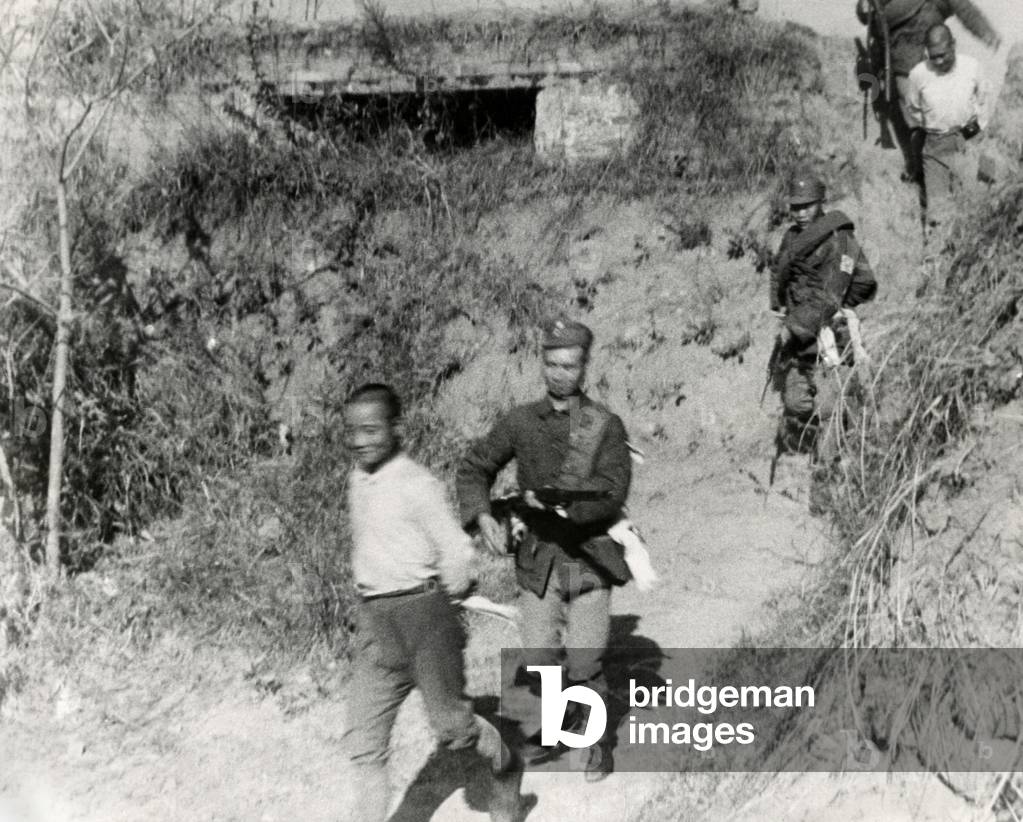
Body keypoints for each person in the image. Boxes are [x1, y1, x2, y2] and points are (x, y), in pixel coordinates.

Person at [457, 319, 631, 782]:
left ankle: (590, 745)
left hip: (588, 559)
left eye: (569, 365)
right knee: (536, 659)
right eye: (552, 364)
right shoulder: (520, 422)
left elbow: (613, 492)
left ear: (584, 366)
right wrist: (483, 516)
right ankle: (556, 726)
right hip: (540, 562)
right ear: (542, 364)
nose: (559, 374)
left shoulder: (605, 425)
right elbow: (475, 467)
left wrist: (555, 505)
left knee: (585, 661)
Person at [340, 383, 523, 822]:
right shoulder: (356, 481)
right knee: (365, 744)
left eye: (371, 429)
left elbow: (456, 550)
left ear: (395, 427)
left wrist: (449, 599)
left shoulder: (418, 485)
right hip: (375, 626)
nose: (361, 441)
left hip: (425, 619)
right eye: (352, 431)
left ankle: (507, 768)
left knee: (455, 729)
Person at [769, 172, 877, 463]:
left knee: (828, 405)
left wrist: (799, 325)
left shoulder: (838, 239)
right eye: (796, 206)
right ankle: (846, 419)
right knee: (796, 400)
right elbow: (780, 272)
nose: (801, 212)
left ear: (820, 202)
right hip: (800, 337)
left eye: (807, 205)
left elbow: (832, 295)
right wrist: (782, 309)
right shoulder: (792, 237)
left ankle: (828, 469)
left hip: (829, 335)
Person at [855, 0, 999, 180]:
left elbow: (960, 5)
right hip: (902, 57)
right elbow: (866, 14)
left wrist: (982, 29)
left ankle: (941, 172)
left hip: (920, 55)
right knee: (921, 122)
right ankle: (925, 173)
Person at [906, 23, 990, 227]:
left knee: (971, 205)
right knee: (938, 214)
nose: (939, 61)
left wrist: (969, 132)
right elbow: (914, 109)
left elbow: (984, 101)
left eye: (944, 54)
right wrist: (934, 128)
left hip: (968, 142)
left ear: (953, 44)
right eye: (934, 56)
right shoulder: (918, 74)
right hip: (936, 147)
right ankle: (937, 256)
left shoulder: (972, 67)